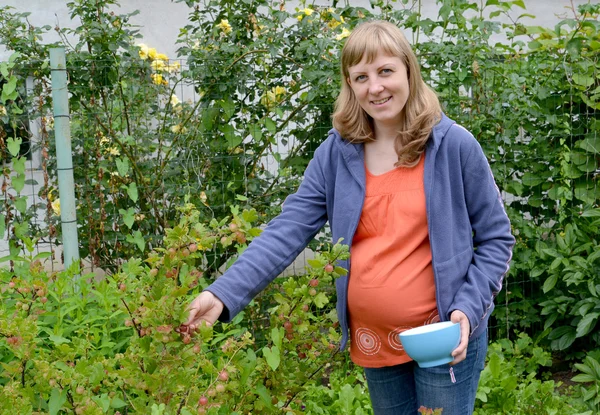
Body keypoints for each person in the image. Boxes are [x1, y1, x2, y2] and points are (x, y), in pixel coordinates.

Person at [186, 20, 514, 415]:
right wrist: (222, 294)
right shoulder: (337, 155)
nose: (375, 87)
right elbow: (287, 231)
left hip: (444, 337)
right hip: (374, 339)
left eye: (385, 71)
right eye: (361, 77)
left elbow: (497, 239)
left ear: (409, 70)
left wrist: (468, 306)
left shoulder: (453, 145)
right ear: (350, 85)